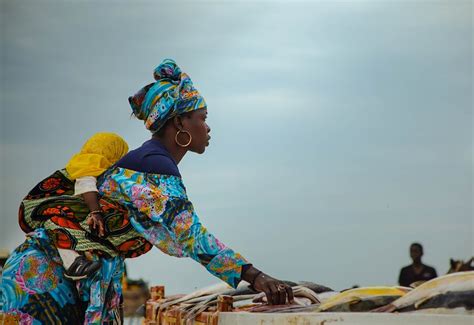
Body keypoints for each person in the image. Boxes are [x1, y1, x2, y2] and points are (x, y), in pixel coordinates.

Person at [1, 59, 294, 324]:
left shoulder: (150, 161)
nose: (208, 127)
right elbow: (191, 235)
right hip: (42, 278)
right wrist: (258, 278)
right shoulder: (153, 165)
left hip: (56, 275)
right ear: (180, 122)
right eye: (202, 117)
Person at [60, 132, 129, 280]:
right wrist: (96, 212)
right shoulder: (88, 165)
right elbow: (86, 185)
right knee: (59, 228)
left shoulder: (102, 171)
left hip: (77, 215)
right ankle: (72, 264)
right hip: (66, 213)